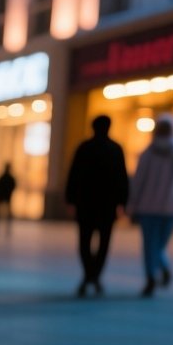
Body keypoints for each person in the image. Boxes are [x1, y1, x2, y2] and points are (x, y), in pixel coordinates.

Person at [128, 113, 173, 297]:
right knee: (160, 244)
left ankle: (151, 275)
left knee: (150, 244)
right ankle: (162, 267)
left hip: (148, 206)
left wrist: (132, 204)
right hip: (171, 207)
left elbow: (138, 182)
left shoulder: (148, 153)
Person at [65, 115, 130, 297]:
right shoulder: (115, 149)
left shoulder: (84, 148)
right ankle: (94, 275)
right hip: (107, 206)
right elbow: (122, 179)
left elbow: (73, 175)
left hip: (85, 204)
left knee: (84, 242)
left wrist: (70, 200)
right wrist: (122, 203)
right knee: (104, 242)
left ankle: (88, 274)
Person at [0, 163, 17, 235]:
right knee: (4, 213)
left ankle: (2, 229)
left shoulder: (3, 178)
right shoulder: (8, 178)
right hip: (5, 197)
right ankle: (6, 230)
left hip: (3, 197)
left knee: (1, 213)